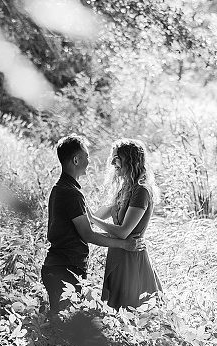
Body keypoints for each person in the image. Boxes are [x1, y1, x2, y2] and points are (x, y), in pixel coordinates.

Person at [41, 135, 143, 315]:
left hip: (58, 265)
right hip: (66, 267)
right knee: (65, 322)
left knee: (59, 318)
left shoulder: (61, 188)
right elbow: (88, 234)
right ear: (76, 160)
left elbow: (87, 225)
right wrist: (124, 244)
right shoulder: (71, 193)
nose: (89, 161)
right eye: (86, 156)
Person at [88, 138, 162, 310]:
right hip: (117, 254)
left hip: (131, 258)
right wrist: (82, 214)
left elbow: (123, 232)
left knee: (131, 311)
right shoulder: (125, 189)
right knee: (115, 312)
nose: (112, 163)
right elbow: (97, 215)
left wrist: (93, 219)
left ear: (130, 160)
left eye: (117, 158)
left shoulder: (141, 191)